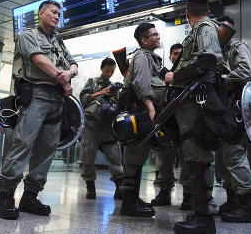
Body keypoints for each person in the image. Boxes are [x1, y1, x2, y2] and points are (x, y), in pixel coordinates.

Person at [0, 0, 78, 220]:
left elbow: (73, 63)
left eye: (59, 13)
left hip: (56, 100)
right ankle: (5, 196)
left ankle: (30, 197)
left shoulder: (58, 41)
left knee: (47, 149)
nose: (57, 16)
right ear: (41, 13)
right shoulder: (29, 35)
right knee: (23, 143)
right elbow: (39, 59)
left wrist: (70, 73)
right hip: (37, 96)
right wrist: (62, 78)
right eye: (53, 12)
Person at [165, 0, 224, 233]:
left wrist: (175, 76)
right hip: (190, 102)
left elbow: (209, 58)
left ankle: (204, 217)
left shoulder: (204, 27)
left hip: (197, 100)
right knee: (194, 157)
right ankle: (200, 211)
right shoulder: (201, 28)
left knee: (198, 157)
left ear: (187, 13)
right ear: (207, 10)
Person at [118, 22, 166, 217]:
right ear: (144, 40)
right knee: (135, 155)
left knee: (139, 155)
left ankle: (133, 198)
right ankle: (129, 203)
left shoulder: (152, 57)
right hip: (141, 111)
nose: (158, 36)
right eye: (154, 34)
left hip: (144, 110)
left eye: (158, 33)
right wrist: (151, 108)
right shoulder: (142, 56)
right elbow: (141, 83)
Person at [213, 14, 251, 223]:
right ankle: (233, 201)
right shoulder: (215, 53)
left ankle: (247, 207)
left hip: (235, 111)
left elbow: (246, 71)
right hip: (220, 113)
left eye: (227, 29)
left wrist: (221, 79)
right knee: (222, 160)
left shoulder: (238, 47)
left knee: (235, 156)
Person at [151, 43, 194, 210]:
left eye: (180, 54)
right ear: (170, 57)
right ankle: (164, 191)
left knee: (187, 157)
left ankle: (189, 195)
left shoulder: (188, 75)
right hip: (168, 122)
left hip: (185, 121)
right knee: (165, 158)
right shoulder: (163, 77)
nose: (177, 56)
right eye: (174, 53)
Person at [79, 57, 123, 200]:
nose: (109, 74)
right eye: (107, 71)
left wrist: (116, 97)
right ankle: (90, 187)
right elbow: (83, 97)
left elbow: (118, 107)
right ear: (101, 68)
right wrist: (99, 93)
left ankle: (119, 187)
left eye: (112, 71)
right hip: (90, 126)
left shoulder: (112, 85)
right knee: (87, 157)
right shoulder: (92, 82)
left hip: (107, 128)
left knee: (115, 157)